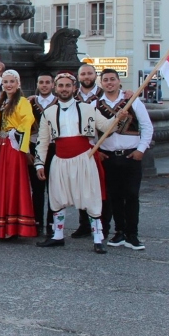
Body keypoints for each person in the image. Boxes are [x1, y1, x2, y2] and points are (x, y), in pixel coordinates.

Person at [35, 73, 117, 253]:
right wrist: (40, 164)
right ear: (56, 89)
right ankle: (57, 235)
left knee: (90, 195)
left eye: (67, 85)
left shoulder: (88, 108)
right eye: (61, 86)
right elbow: (42, 140)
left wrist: (120, 116)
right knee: (57, 196)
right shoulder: (48, 112)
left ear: (74, 88)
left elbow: (107, 126)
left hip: (83, 158)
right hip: (60, 159)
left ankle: (97, 238)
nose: (64, 89)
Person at [95, 68, 152, 250]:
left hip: (130, 156)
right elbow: (90, 132)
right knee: (114, 196)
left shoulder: (132, 101)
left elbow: (146, 126)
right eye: (105, 80)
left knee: (132, 195)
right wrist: (96, 151)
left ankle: (132, 234)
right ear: (101, 83)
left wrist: (141, 149)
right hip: (109, 157)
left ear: (119, 81)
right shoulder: (95, 105)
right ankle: (119, 232)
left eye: (112, 79)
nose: (109, 82)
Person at [0, 70, 36, 239]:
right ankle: (1, 224)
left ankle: (13, 225)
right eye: (6, 82)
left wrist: (14, 133)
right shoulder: (1, 102)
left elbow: (27, 119)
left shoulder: (22, 101)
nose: (8, 84)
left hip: (12, 145)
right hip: (0, 146)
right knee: (0, 183)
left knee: (12, 182)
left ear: (18, 83)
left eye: (11, 81)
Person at [69, 62, 103, 237]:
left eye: (89, 73)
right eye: (83, 74)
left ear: (95, 75)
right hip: (79, 148)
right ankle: (84, 224)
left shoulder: (104, 95)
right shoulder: (72, 97)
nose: (86, 77)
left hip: (100, 147)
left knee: (100, 189)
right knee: (81, 187)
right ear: (78, 77)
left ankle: (102, 224)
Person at [28, 72, 56, 234]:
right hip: (34, 146)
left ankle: (53, 224)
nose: (44, 85)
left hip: (54, 148)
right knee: (37, 188)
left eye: (47, 82)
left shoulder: (59, 103)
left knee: (53, 188)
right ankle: (37, 222)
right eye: (41, 82)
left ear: (52, 85)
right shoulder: (29, 103)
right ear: (37, 85)